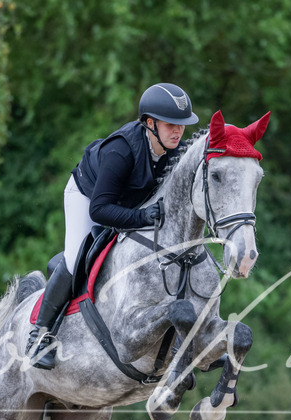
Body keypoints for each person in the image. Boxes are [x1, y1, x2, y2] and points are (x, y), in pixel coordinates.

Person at [26, 83, 200, 369]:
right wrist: (142, 218)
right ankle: (39, 335)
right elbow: (100, 210)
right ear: (149, 123)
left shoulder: (174, 150)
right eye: (171, 124)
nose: (178, 132)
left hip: (129, 200)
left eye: (182, 125)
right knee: (74, 258)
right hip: (88, 196)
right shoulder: (121, 151)